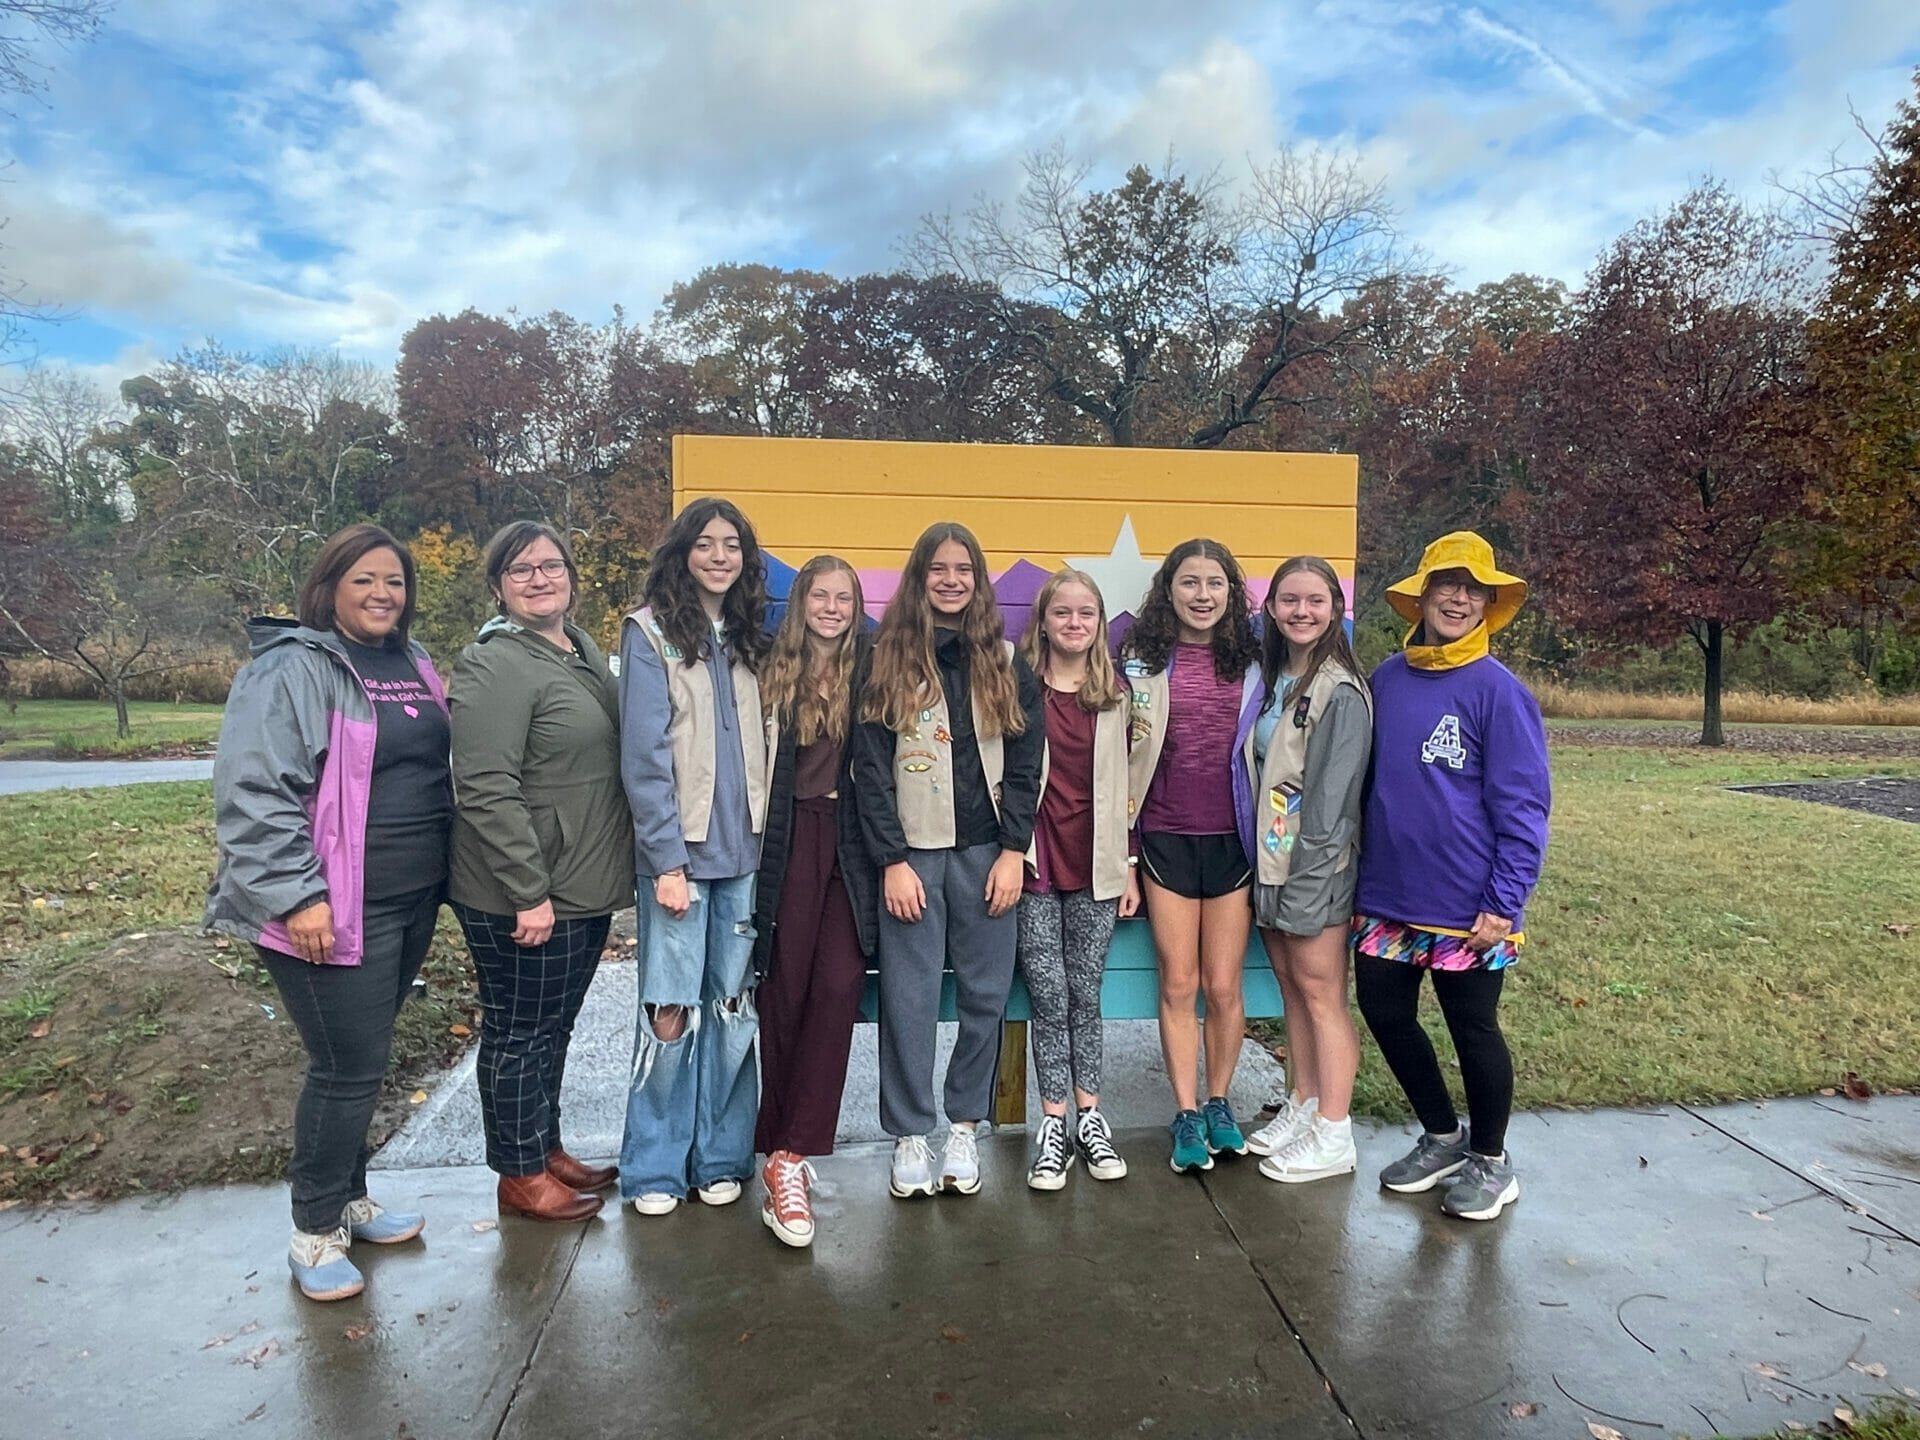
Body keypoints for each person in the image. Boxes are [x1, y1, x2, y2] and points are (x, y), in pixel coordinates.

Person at [206, 524, 451, 1303]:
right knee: (345, 1069)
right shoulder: (290, 669)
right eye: (364, 581)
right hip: (328, 904)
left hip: (411, 897)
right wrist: (296, 895)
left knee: (366, 1057)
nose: (384, 594)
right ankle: (313, 1232)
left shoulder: (411, 662)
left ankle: (350, 1201)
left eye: (395, 582)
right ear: (329, 589)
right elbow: (253, 791)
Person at [1353, 531, 1550, 1223]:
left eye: (1474, 589)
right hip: (1386, 896)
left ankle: (1491, 1161)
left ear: (1489, 605)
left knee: (1473, 1027)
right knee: (1384, 1013)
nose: (1459, 598)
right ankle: (1442, 1137)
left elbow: (1524, 807)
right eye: (1448, 584)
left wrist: (1506, 899)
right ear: (1424, 595)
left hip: (1471, 905)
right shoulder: (1385, 678)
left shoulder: (1500, 692)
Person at [447, 521, 635, 1224]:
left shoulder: (579, 648)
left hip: (577, 882)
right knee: (519, 1030)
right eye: (520, 569)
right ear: (498, 585)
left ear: (570, 577)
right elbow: (487, 785)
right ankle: (518, 1175)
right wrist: (527, 892)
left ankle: (543, 1147)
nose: (538, 578)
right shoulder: (495, 663)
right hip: (523, 892)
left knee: (553, 1026)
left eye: (550, 565)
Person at [852, 522, 1044, 1200]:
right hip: (913, 857)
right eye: (939, 568)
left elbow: (1027, 762)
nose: (952, 579)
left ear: (979, 579)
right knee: (907, 998)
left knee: (985, 995)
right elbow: (869, 768)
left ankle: (963, 1125)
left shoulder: (1005, 658)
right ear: (920, 577)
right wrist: (891, 860)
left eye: (964, 568)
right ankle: (910, 1134)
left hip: (989, 854)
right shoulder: (888, 657)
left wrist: (1015, 850)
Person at [616, 497, 773, 1218]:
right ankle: (653, 1167)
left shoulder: (749, 638)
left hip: (743, 857)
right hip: (679, 861)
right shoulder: (649, 635)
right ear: (682, 552)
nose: (719, 555)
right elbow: (645, 760)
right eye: (705, 543)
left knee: (734, 1009)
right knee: (670, 1011)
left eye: (732, 544)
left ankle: (721, 1155)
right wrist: (666, 862)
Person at [1120, 538, 1264, 1175]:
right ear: (1168, 589)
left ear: (1231, 593)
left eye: (1215, 583)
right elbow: (1116, 760)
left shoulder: (1259, 663)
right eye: (1189, 582)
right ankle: (1184, 1114)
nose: (1202, 595)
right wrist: (1124, 855)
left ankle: (1218, 1102)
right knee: (1179, 984)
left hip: (1235, 842)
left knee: (1225, 986)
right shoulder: (1140, 661)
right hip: (1164, 839)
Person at [750, 556, 878, 1248]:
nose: (831, 607)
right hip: (789, 836)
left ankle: (792, 1150)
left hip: (851, 840)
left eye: (843, 597)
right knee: (785, 989)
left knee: (838, 984)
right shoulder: (771, 667)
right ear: (799, 602)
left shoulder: (873, 667)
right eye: (819, 596)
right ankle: (785, 1155)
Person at [1241, 557, 1373, 1184]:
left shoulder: (1340, 690)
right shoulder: (1274, 679)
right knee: (1292, 990)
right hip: (1270, 859)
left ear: (1335, 609)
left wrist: (1308, 884)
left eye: (1314, 601)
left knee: (1322, 995)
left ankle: (1335, 1131)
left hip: (1314, 869)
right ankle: (1304, 1103)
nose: (1301, 611)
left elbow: (1332, 803)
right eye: (1288, 600)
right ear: (1270, 609)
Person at [1014, 569, 1138, 1190]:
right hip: (1035, 863)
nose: (1073, 623)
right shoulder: (1019, 691)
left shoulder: (1115, 695)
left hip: (1098, 866)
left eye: (1086, 614)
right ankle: (1053, 1124)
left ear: (1099, 625)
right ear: (1043, 621)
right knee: (1049, 993)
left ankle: (1091, 1114)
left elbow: (1132, 788)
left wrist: (1132, 863)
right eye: (1062, 613)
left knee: (1085, 993)